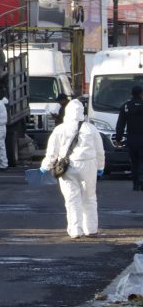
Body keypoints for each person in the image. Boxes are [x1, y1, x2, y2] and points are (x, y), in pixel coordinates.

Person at [40, 94, 105, 238]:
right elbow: (100, 150)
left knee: (72, 199)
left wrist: (45, 166)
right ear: (82, 112)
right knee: (89, 197)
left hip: (68, 166)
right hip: (89, 164)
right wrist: (101, 167)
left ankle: (75, 230)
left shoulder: (60, 129)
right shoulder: (91, 128)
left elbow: (52, 152)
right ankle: (91, 229)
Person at [115, 85, 143, 191]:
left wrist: (118, 138)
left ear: (132, 94)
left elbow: (120, 124)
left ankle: (136, 184)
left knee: (134, 161)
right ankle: (142, 180)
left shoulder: (126, 106)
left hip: (131, 139)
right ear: (141, 93)